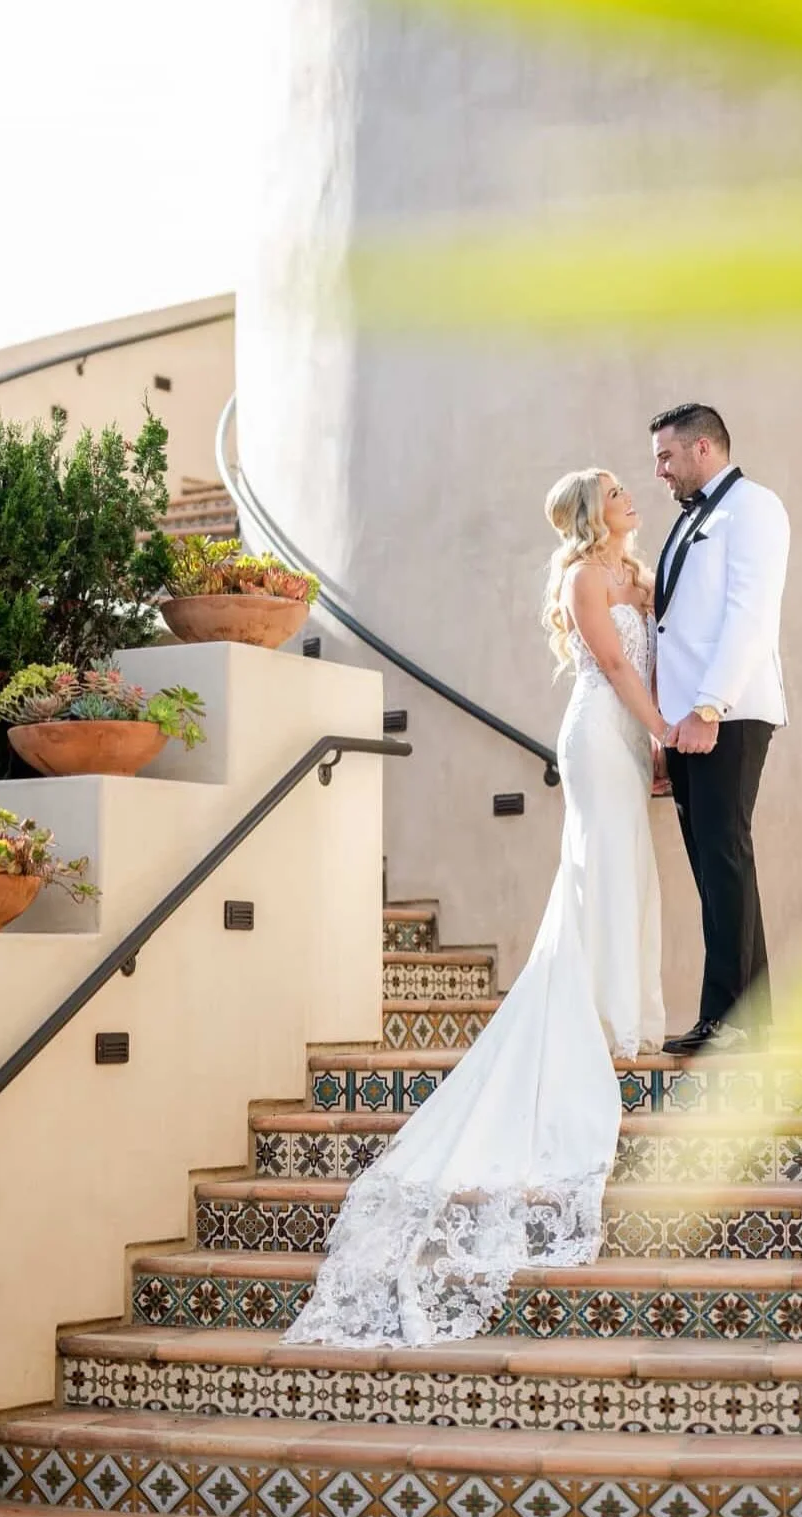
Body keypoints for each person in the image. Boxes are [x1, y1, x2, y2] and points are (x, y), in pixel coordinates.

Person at [284, 467, 669, 1349]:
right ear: (587, 514)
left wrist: (656, 731)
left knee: (627, 870)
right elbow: (611, 664)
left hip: (627, 731)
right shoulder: (582, 577)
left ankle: (627, 1010)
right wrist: (662, 739)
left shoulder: (637, 574)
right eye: (614, 491)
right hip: (599, 732)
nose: (626, 499)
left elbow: (654, 641)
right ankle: (601, 1014)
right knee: (600, 864)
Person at [650, 402, 790, 1056]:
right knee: (716, 862)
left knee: (723, 856)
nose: (660, 470)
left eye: (667, 456)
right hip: (687, 723)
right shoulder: (688, 522)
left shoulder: (753, 508)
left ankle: (726, 1018)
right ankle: (750, 1019)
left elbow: (751, 613)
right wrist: (666, 721)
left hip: (726, 714)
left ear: (703, 448)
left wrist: (709, 706)